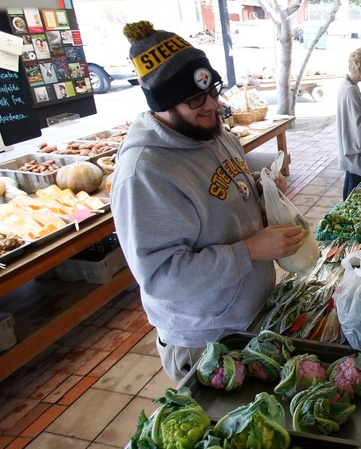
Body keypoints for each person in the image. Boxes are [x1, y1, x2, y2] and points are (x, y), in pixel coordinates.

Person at [111, 21, 306, 379]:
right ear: (163, 105)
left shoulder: (215, 134)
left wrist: (261, 193)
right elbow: (162, 278)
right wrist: (249, 250)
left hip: (249, 315)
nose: (212, 106)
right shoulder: (144, 174)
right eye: (195, 99)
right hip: (204, 338)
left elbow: (227, 191)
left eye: (213, 90)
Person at [336, 47, 361, 199]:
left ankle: (344, 207)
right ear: (360, 68)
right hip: (353, 146)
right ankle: (347, 213)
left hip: (348, 142)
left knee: (350, 180)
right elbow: (359, 123)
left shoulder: (345, 84)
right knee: (354, 186)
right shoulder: (351, 90)